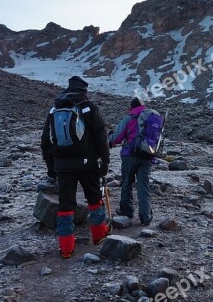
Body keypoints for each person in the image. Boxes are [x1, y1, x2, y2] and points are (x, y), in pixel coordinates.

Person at [41, 76, 111, 258]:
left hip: (62, 166)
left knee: (65, 205)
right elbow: (101, 137)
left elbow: (45, 142)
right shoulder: (89, 107)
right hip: (87, 164)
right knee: (94, 198)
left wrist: (52, 168)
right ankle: (98, 235)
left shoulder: (55, 108)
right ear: (84, 90)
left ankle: (66, 248)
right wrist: (105, 161)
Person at [108, 97, 155, 226]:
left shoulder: (129, 118)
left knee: (127, 183)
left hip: (129, 155)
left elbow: (117, 137)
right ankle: (145, 216)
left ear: (131, 107)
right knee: (143, 185)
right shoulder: (151, 118)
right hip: (147, 156)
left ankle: (126, 211)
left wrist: (109, 138)